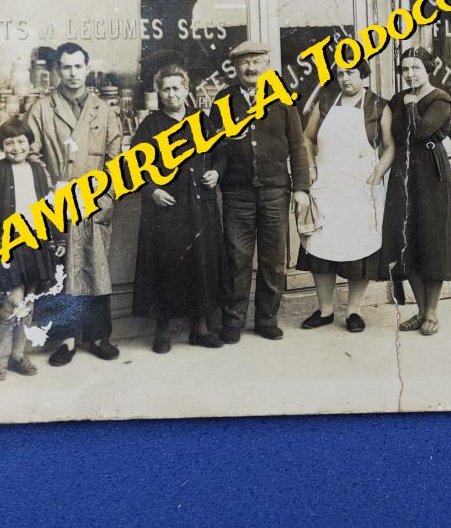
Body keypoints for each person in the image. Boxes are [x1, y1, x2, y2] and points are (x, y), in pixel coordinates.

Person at [24, 42, 122, 365]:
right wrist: (51, 189)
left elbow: (115, 158)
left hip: (94, 203)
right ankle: (65, 341)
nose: (73, 73)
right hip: (60, 202)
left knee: (96, 268)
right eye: (66, 67)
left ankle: (97, 336)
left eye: (78, 66)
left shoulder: (104, 109)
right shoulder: (41, 109)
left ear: (87, 68)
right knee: (63, 272)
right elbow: (31, 154)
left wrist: (106, 196)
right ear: (57, 71)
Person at [209, 40, 311, 342]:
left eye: (256, 62)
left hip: (275, 192)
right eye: (244, 63)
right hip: (236, 194)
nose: (251, 68)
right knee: (237, 258)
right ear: (235, 67)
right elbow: (217, 146)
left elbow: (297, 145)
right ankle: (234, 319)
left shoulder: (282, 100)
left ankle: (267, 318)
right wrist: (217, 172)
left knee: (273, 259)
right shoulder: (223, 101)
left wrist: (302, 188)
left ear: (266, 65)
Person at [131, 65, 228, 353]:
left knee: (200, 263)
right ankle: (163, 330)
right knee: (166, 265)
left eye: (176, 88)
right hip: (165, 208)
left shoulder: (201, 120)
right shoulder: (150, 125)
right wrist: (152, 191)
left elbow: (220, 153)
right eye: (165, 89)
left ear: (187, 90)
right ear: (158, 94)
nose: (171, 94)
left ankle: (200, 328)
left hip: (199, 206)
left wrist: (216, 173)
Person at [297, 58, 393, 333]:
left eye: (351, 73)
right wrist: (312, 167)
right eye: (340, 74)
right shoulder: (326, 102)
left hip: (361, 187)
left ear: (364, 75)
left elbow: (389, 146)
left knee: (359, 248)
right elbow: (307, 138)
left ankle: (354, 309)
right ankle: (325, 309)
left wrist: (379, 171)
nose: (345, 79)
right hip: (327, 186)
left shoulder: (378, 105)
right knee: (320, 247)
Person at [380, 47, 451, 336]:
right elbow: (392, 132)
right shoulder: (397, 99)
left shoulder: (440, 99)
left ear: (428, 69)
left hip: (431, 173)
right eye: (405, 69)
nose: (410, 74)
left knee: (432, 240)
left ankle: (433, 313)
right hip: (404, 173)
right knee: (406, 241)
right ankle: (421, 310)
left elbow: (421, 131)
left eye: (416, 68)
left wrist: (412, 104)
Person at [0, 119, 58, 380]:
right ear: (2, 146)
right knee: (13, 301)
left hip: (36, 241)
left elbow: (47, 206)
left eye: (21, 141)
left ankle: (17, 355)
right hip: (8, 244)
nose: (16, 147)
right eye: (9, 143)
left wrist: (57, 239)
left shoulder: (36, 170)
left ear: (29, 143)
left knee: (29, 300)